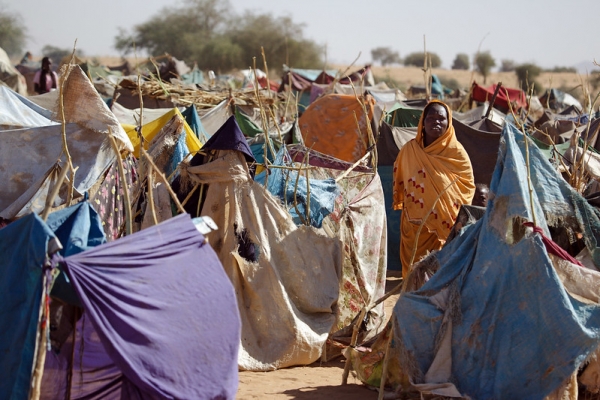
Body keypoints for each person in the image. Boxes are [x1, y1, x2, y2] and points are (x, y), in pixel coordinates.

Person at [392, 100, 475, 278]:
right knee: (412, 274)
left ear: (448, 122)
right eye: (431, 118)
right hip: (413, 225)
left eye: (441, 118)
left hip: (443, 227)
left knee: (436, 274)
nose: (436, 122)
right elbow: (401, 177)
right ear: (423, 121)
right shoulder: (409, 150)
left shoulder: (457, 154)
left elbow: (467, 187)